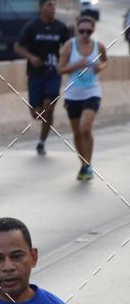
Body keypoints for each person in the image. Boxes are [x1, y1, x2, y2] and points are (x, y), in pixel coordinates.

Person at [14, 0, 69, 156]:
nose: (53, 9)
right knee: (36, 113)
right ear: (41, 9)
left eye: (54, 5)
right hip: (35, 74)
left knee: (48, 108)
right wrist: (31, 57)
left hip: (53, 74)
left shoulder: (61, 28)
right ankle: (45, 123)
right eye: (49, 6)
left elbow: (68, 48)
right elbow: (17, 46)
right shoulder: (31, 27)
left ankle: (41, 142)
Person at [58, 15, 107, 181]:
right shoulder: (69, 46)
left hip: (92, 92)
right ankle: (83, 165)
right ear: (77, 30)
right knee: (77, 132)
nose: (86, 34)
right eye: (82, 31)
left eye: (89, 31)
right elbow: (60, 69)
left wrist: (100, 67)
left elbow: (105, 61)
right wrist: (77, 65)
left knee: (85, 127)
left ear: (93, 30)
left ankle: (89, 164)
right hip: (73, 95)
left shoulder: (98, 46)